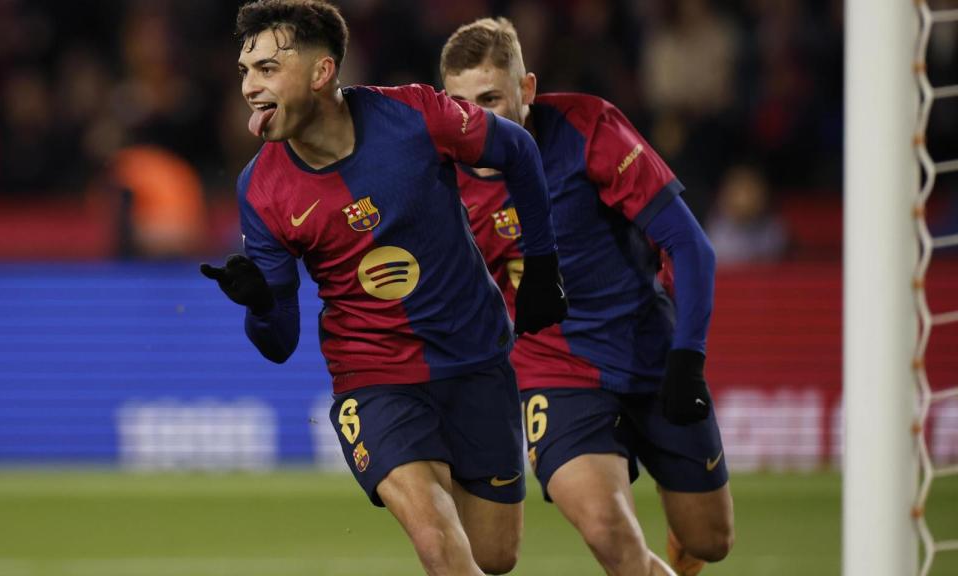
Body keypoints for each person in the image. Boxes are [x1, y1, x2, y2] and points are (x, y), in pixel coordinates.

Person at [200, 2, 567, 575]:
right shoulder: (262, 189)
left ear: (321, 74)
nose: (249, 87)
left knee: (494, 556)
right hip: (374, 378)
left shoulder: (416, 115)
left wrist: (543, 268)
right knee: (436, 536)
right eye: (245, 71)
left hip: (475, 358)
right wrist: (260, 304)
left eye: (267, 69)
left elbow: (517, 150)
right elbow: (280, 342)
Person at [440, 17, 734, 576]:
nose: (475, 120)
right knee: (607, 529)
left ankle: (684, 535)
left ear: (526, 91)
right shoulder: (441, 179)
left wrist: (688, 358)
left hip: (649, 352)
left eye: (490, 99)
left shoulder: (586, 127)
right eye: (460, 104)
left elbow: (690, 247)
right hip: (554, 373)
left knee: (712, 539)